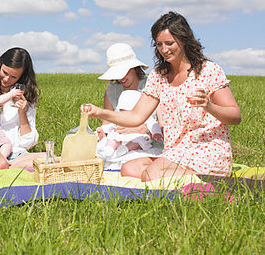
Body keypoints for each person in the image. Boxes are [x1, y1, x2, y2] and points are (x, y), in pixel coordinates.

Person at [82, 12, 241, 181]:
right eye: (159, 44)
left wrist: (209, 106)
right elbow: (136, 116)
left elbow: (235, 116)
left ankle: (207, 177)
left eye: (169, 43)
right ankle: (190, 178)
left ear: (184, 39)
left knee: (152, 174)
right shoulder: (159, 76)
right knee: (129, 168)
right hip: (175, 152)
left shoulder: (208, 70)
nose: (164, 50)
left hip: (206, 149)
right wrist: (99, 112)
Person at [99, 42, 160, 136]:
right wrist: (104, 134)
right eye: (117, 74)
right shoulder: (112, 91)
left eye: (124, 72)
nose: (121, 78)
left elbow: (165, 125)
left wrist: (144, 130)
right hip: (118, 142)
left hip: (149, 144)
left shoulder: (152, 86)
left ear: (134, 68)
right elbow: (106, 124)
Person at [96, 90, 163, 168]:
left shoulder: (145, 118)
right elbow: (111, 125)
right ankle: (109, 149)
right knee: (112, 139)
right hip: (120, 137)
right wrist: (103, 129)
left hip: (136, 137)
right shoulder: (119, 117)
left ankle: (125, 149)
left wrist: (156, 133)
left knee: (137, 141)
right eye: (122, 111)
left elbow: (153, 125)